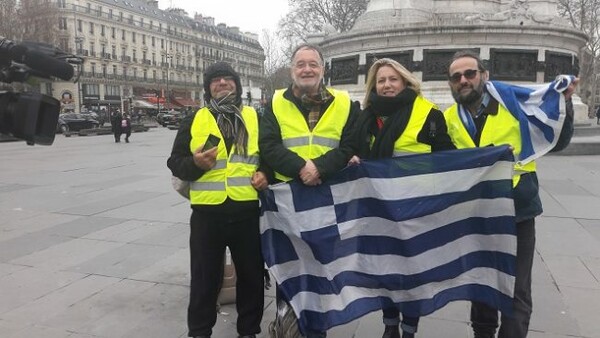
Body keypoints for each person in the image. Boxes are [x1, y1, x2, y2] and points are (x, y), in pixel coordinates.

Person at [443, 50, 577, 338]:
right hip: (477, 213)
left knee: (517, 290)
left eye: (469, 73)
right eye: (456, 77)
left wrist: (564, 104)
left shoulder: (515, 104)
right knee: (481, 284)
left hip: (517, 210)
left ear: (484, 75)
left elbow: (559, 141)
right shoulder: (449, 117)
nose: (463, 80)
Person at [349, 58, 456, 338]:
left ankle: (409, 329)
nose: (387, 85)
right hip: (377, 208)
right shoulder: (365, 117)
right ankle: (390, 325)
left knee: (411, 272)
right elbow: (355, 150)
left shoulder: (428, 114)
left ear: (406, 82)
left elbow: (447, 158)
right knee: (384, 268)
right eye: (381, 80)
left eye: (393, 79)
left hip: (414, 209)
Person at [259, 43, 360, 338]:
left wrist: (319, 168)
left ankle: (317, 327)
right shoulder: (275, 102)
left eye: (312, 64)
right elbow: (268, 145)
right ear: (292, 70)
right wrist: (302, 169)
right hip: (287, 199)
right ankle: (286, 326)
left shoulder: (344, 102)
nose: (306, 69)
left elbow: (350, 145)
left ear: (322, 69)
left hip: (329, 198)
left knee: (323, 266)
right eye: (300, 64)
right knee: (288, 267)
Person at [167, 61, 267, 338]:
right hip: (206, 214)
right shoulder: (195, 118)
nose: (222, 83)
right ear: (208, 87)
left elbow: (267, 158)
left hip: (246, 211)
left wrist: (265, 174)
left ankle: (248, 331)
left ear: (237, 84)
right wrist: (196, 164)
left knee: (251, 277)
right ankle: (199, 332)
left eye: (227, 79)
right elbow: (175, 163)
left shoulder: (255, 117)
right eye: (215, 80)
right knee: (204, 279)